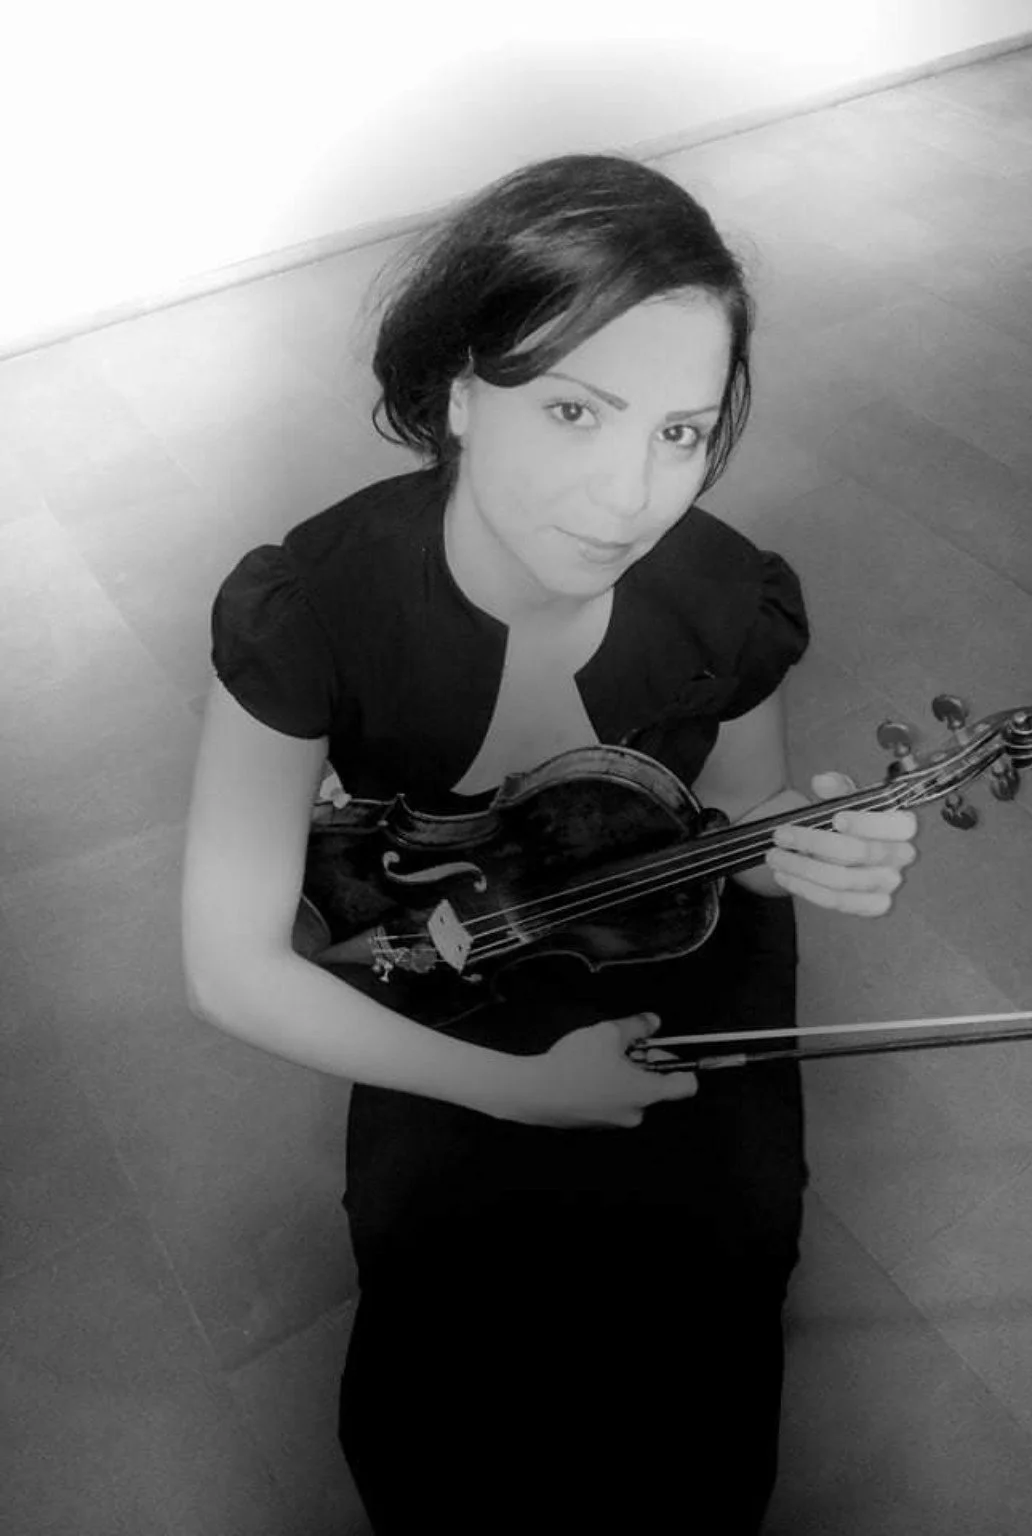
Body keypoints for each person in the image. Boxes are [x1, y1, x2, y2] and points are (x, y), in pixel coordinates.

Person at [181, 153, 917, 1534]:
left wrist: (803, 848)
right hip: (442, 953)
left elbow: (736, 828)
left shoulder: (720, 597)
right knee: (437, 1261)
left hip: (668, 926)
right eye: (574, 410)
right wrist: (514, 1090)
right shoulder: (311, 610)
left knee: (733, 1242)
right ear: (462, 392)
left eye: (682, 434)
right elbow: (230, 967)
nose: (628, 497)